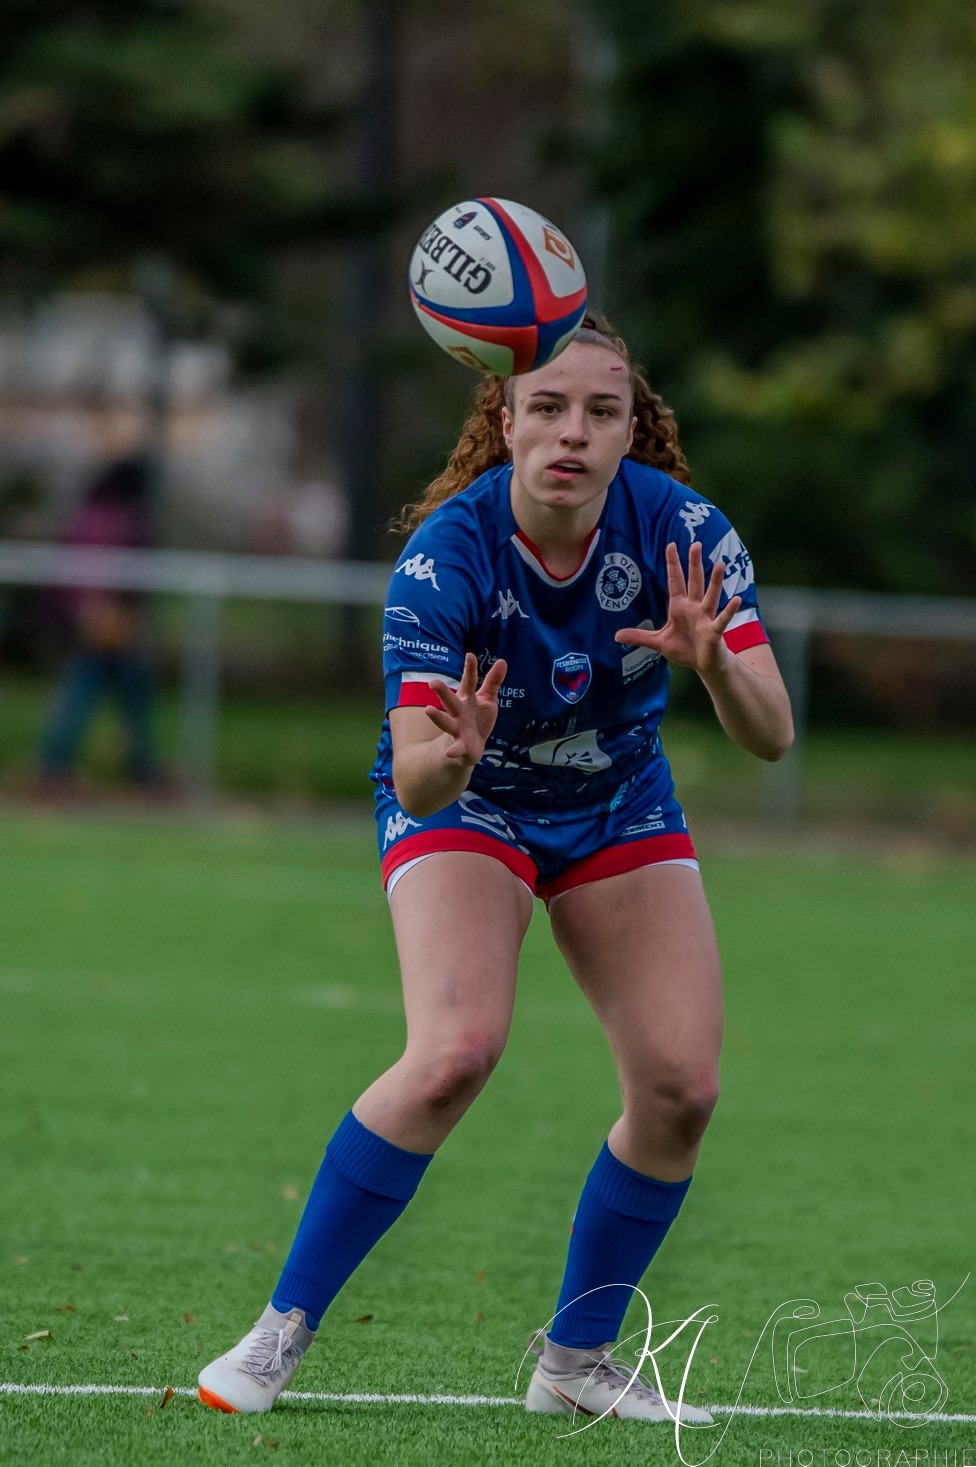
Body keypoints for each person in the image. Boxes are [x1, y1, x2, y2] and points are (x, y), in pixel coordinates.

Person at [198, 313, 793, 1424]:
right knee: (453, 1053)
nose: (573, 432)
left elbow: (771, 734)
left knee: (680, 1088)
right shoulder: (445, 559)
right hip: (471, 804)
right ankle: (281, 1328)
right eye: (550, 407)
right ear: (505, 417)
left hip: (616, 800)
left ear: (631, 431)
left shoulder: (686, 534)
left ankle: (573, 1362)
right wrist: (453, 752)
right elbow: (418, 775)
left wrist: (717, 666)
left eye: (601, 412)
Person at [38, 455, 164, 795]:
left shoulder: (88, 513)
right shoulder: (116, 518)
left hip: (93, 618)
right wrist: (100, 612)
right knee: (106, 694)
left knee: (114, 693)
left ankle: (57, 767)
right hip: (106, 621)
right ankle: (140, 770)